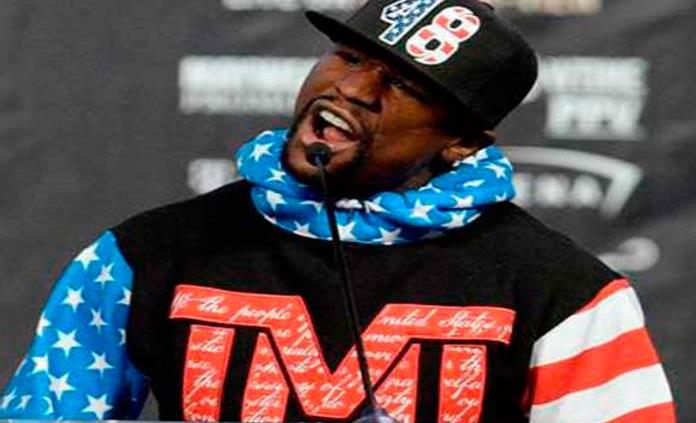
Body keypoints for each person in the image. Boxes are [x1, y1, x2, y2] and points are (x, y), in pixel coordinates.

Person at [0, 1, 675, 422]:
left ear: (462, 142)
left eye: (402, 85)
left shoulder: (564, 292)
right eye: (349, 56)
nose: (352, 89)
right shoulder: (145, 254)